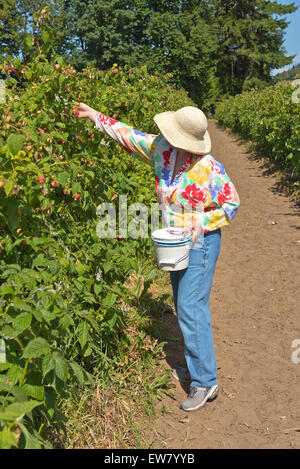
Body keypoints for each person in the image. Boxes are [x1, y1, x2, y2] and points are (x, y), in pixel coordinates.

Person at [73, 102, 240, 412]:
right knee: (182, 303)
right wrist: (95, 116)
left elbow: (231, 204)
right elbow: (129, 135)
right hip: (174, 243)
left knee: (191, 307)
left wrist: (198, 222)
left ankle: (205, 382)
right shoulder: (162, 149)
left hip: (201, 242)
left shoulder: (210, 168)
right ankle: (197, 366)